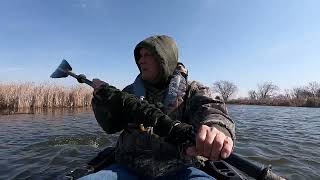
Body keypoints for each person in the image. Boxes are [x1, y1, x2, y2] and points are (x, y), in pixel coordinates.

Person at [80, 35, 235, 180]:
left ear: (164, 59)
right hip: (126, 168)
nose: (141, 60)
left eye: (148, 55)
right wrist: (101, 100)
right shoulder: (129, 92)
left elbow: (213, 110)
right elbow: (110, 126)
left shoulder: (193, 90)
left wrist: (216, 129)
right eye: (140, 56)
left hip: (180, 169)